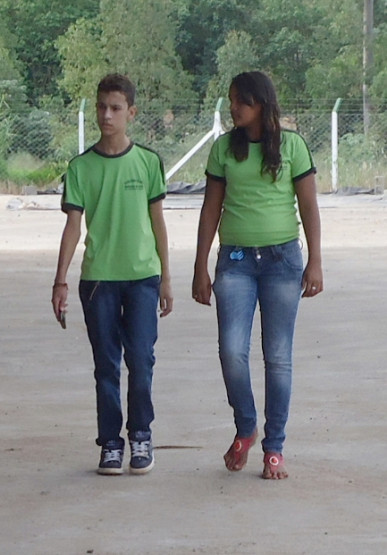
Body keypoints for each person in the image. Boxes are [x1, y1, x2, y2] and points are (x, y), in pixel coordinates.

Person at [192, 71, 322, 480]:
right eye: (231, 100)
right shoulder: (223, 149)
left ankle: (274, 447)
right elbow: (210, 209)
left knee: (278, 357)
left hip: (283, 261)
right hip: (235, 261)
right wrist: (200, 266)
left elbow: (309, 206)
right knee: (232, 350)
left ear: (261, 104)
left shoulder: (292, 146)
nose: (233, 108)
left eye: (241, 101)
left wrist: (315, 260)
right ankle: (246, 426)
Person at [51, 73, 172, 476]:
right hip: (99, 280)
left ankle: (141, 434)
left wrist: (166, 277)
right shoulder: (81, 167)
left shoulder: (148, 162)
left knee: (141, 360)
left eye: (115, 108)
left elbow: (158, 222)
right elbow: (72, 226)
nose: (106, 115)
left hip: (142, 277)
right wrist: (60, 279)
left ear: (131, 113)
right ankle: (110, 442)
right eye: (102, 107)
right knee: (106, 364)